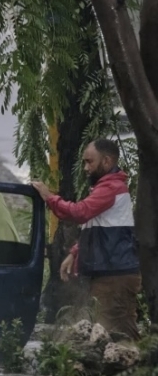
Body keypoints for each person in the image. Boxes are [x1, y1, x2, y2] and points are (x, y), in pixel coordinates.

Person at [32, 138, 141, 339]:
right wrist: (74, 253)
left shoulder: (111, 188)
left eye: (89, 161)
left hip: (114, 276)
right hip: (110, 274)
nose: (85, 167)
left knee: (118, 335)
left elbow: (79, 212)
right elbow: (96, 227)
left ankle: (139, 369)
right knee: (112, 334)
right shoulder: (106, 188)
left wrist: (49, 197)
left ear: (107, 161)